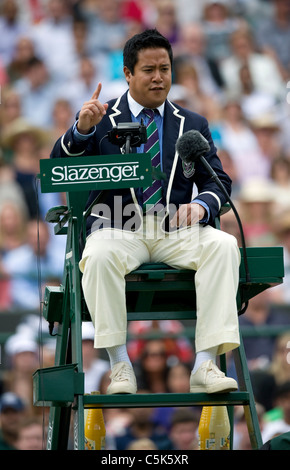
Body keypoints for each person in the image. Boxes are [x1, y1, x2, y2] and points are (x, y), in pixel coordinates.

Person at [50, 28, 241, 396]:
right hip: (117, 225)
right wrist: (80, 131)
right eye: (149, 69)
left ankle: (205, 365)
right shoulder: (102, 117)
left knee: (223, 245)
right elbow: (61, 170)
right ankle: (119, 365)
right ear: (127, 73)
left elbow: (219, 182)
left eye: (165, 68)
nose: (158, 77)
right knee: (99, 253)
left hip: (175, 229)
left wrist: (201, 207)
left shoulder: (193, 124)